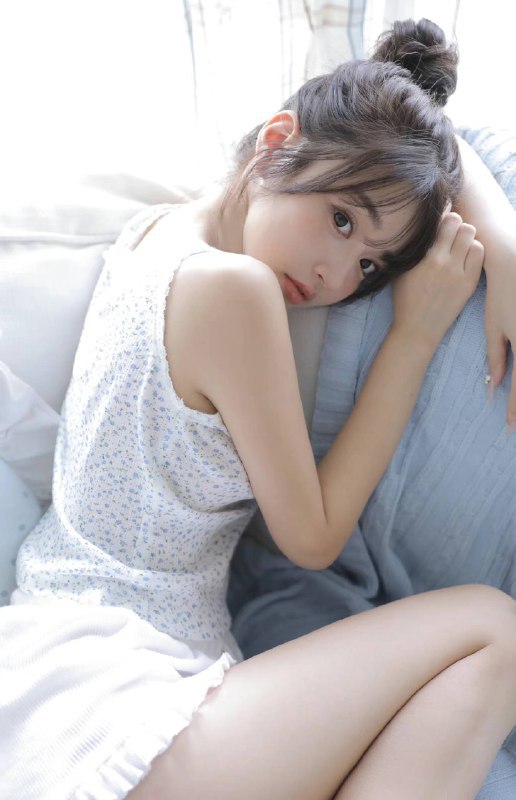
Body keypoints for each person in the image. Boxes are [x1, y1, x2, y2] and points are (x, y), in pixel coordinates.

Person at [3, 17, 516, 800]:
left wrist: (500, 244)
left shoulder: (160, 231)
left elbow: (399, 128)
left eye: (370, 264)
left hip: (68, 655)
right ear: (277, 140)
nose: (336, 274)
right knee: (494, 629)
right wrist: (413, 335)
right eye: (341, 220)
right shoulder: (234, 291)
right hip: (116, 690)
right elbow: (312, 538)